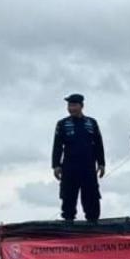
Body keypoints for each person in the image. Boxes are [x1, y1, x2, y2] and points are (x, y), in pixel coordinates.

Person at [52, 93, 105, 224]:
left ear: (81, 106)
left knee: (91, 197)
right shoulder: (62, 124)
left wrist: (102, 163)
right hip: (69, 166)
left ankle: (93, 223)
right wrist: (56, 165)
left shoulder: (91, 123)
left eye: (74, 105)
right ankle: (68, 222)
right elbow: (57, 145)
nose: (71, 108)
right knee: (68, 196)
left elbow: (99, 144)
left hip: (88, 166)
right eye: (69, 105)